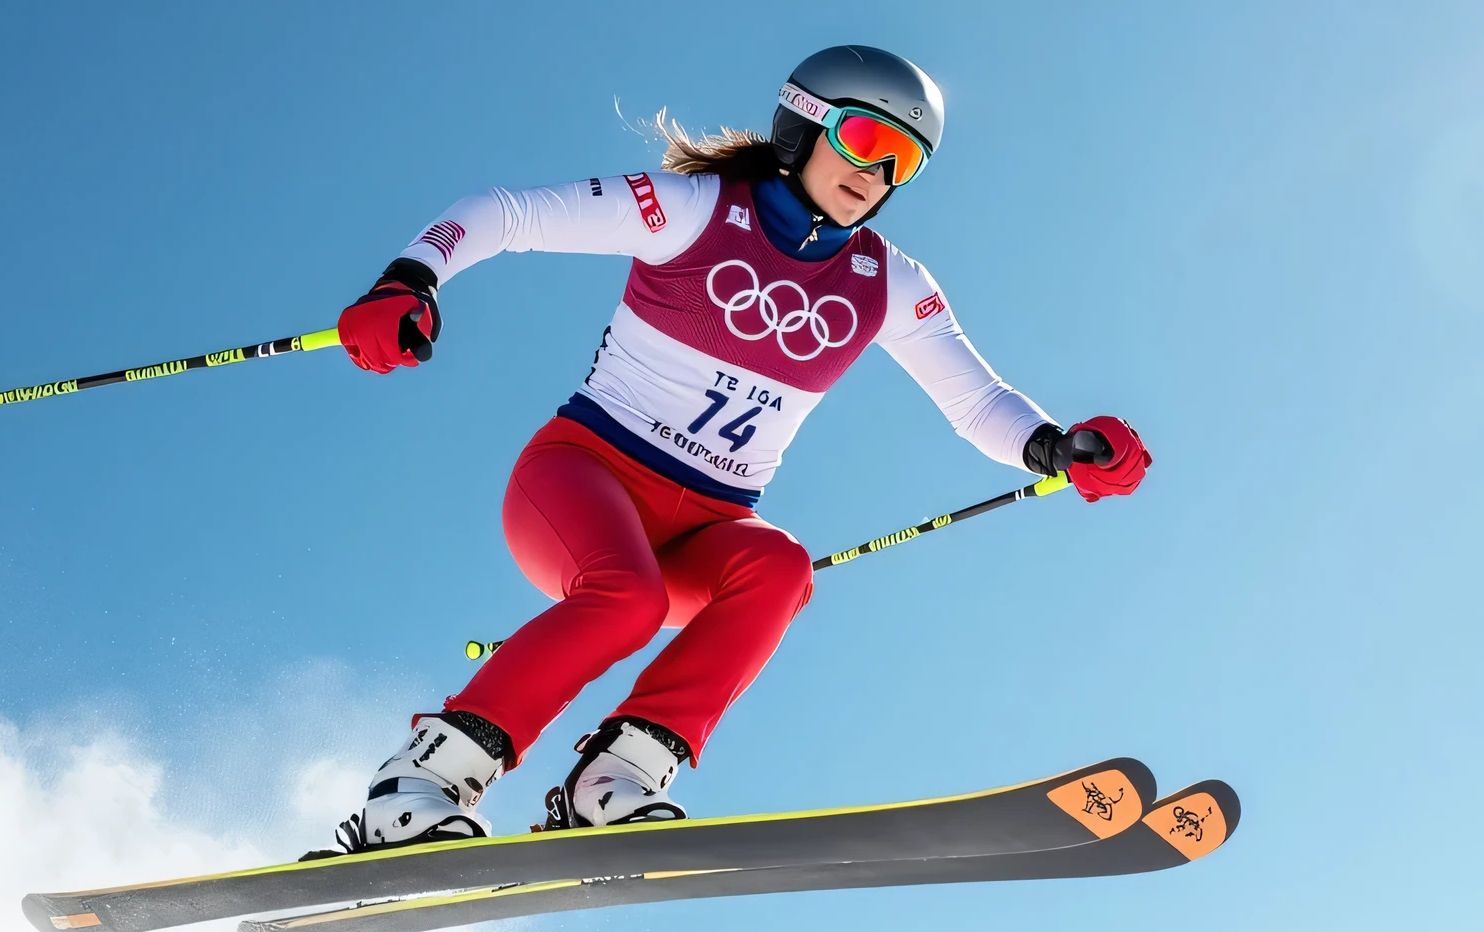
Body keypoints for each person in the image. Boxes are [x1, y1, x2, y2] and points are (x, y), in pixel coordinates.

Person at [312, 45, 1151, 856]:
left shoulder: (887, 281)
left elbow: (976, 403)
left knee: (783, 569)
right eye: (867, 141)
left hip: (708, 525)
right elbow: (509, 214)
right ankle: (420, 786)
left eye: (906, 162)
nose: (880, 173)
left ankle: (616, 780)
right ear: (803, 125)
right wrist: (409, 278)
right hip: (584, 475)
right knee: (626, 597)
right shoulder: (694, 209)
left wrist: (1055, 447)